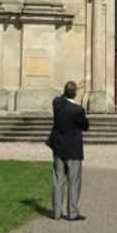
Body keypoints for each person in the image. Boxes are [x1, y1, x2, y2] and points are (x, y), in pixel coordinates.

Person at [48, 80, 89, 221]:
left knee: (58, 179)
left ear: (65, 92)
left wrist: (73, 88)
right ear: (75, 94)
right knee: (74, 181)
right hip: (73, 148)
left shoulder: (57, 103)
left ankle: (57, 213)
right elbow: (85, 126)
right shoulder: (78, 110)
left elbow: (61, 97)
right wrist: (81, 104)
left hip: (58, 146)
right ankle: (72, 213)